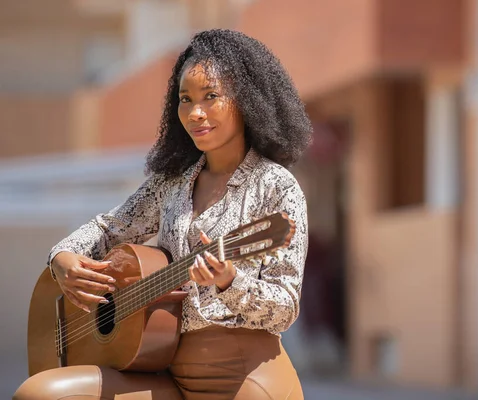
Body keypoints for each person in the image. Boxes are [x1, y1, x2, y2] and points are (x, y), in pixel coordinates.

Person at [14, 29, 312, 400]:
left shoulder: (276, 187)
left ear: (246, 100)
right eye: (185, 99)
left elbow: (284, 308)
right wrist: (61, 257)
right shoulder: (170, 183)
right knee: (40, 394)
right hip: (161, 369)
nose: (195, 112)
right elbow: (109, 229)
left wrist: (229, 282)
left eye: (211, 97)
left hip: (244, 375)